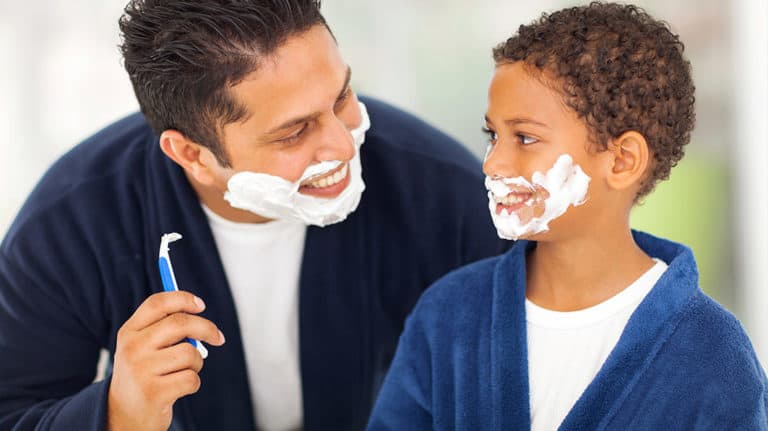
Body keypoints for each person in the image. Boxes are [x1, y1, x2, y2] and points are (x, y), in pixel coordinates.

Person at [0, 1, 508, 430]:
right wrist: (117, 414)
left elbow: (519, 388)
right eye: (294, 132)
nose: (342, 145)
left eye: (341, 98)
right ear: (192, 155)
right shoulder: (71, 223)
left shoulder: (442, 192)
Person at [367, 3, 768, 430]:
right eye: (493, 135)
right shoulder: (448, 315)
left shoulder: (713, 356)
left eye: (525, 138)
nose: (492, 163)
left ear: (622, 161)